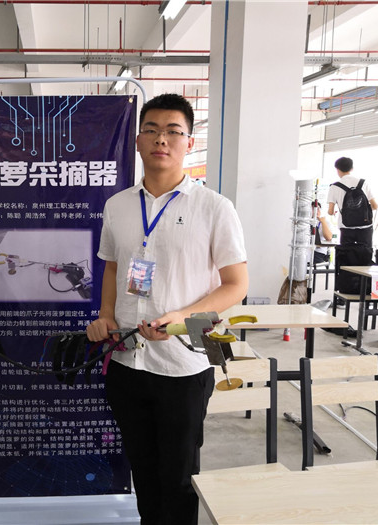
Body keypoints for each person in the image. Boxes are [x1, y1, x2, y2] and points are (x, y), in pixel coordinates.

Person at [85, 94, 248, 525]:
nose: (162, 139)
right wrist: (105, 314)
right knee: (142, 468)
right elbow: (112, 267)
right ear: (138, 141)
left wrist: (183, 318)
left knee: (177, 477)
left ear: (189, 142)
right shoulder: (118, 205)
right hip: (126, 359)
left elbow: (236, 285)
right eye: (152, 130)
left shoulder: (214, 208)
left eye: (174, 131)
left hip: (184, 364)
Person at [328, 157, 378, 301]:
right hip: (365, 228)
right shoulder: (363, 182)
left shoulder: (335, 186)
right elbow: (375, 206)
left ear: (337, 170)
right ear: (352, 168)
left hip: (346, 228)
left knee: (345, 259)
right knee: (365, 258)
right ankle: (366, 291)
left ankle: (344, 293)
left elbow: (330, 211)